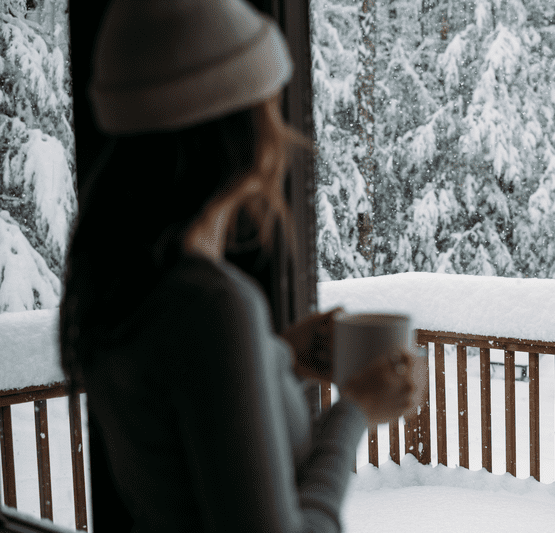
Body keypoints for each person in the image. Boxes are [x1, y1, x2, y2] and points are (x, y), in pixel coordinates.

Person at [58, 1, 422, 531]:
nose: (281, 130)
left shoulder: (125, 283)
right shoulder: (212, 305)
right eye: (269, 106)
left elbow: (186, 447)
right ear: (243, 130)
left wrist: (282, 358)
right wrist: (355, 411)